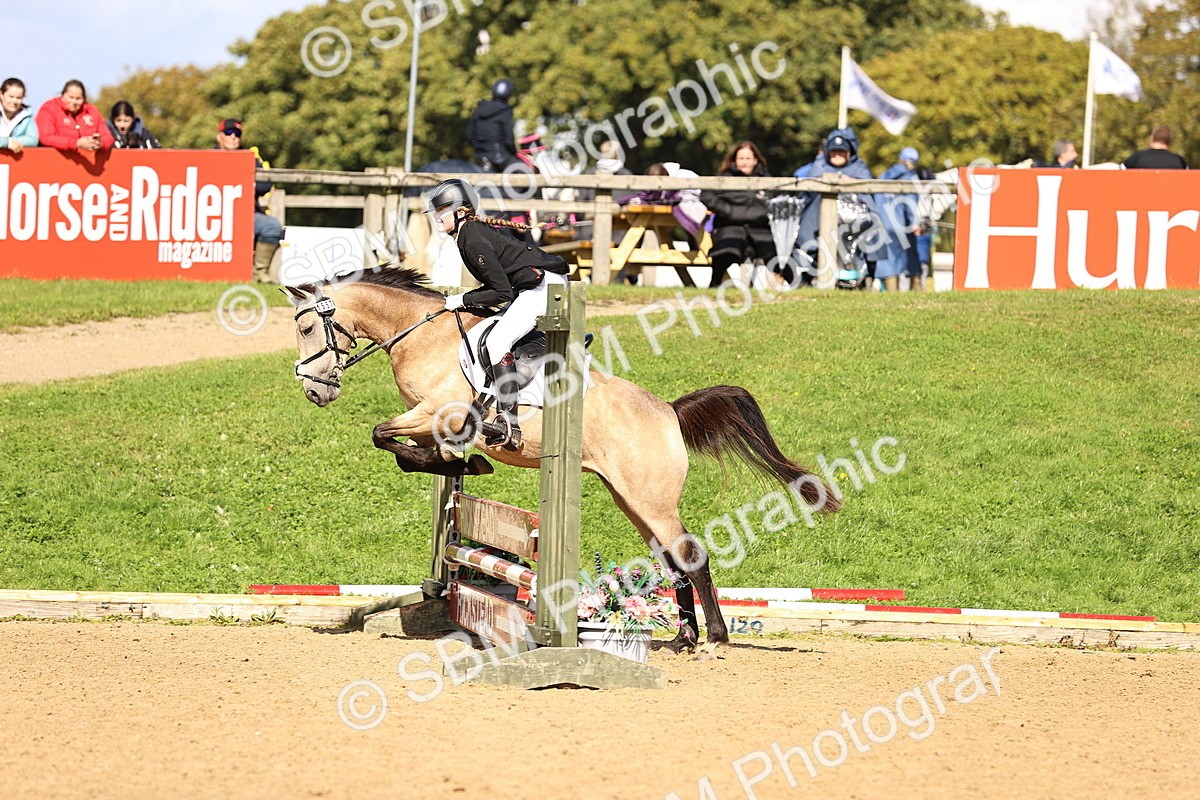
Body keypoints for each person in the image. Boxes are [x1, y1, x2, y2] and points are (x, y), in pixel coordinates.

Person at [424, 178, 570, 450]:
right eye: (435, 211)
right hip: (529, 286)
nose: (436, 217)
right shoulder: (468, 235)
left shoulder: (472, 239)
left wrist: (462, 299)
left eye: (441, 210)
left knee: (496, 342)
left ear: (461, 211)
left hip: (544, 287)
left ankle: (509, 421)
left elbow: (500, 292)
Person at [794, 128, 877, 283]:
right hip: (818, 226)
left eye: (841, 151)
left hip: (854, 227)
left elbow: (869, 200)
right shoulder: (819, 166)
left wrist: (850, 183)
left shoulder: (859, 169)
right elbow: (808, 192)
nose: (836, 154)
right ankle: (813, 275)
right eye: (833, 151)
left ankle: (861, 277)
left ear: (849, 153)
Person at [699, 140, 777, 288]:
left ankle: (800, 286)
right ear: (735, 161)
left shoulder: (767, 180)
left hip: (759, 229)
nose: (745, 162)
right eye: (741, 158)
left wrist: (761, 213)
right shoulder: (723, 178)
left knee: (775, 254)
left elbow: (776, 201)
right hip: (729, 226)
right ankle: (715, 284)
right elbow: (706, 194)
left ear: (755, 160)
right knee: (724, 251)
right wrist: (728, 210)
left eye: (748, 159)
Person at [216, 118, 283, 283]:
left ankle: (259, 275)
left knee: (272, 226)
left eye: (237, 134)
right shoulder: (209, 157)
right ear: (219, 137)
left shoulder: (251, 158)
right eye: (229, 133)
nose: (233, 137)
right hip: (213, 216)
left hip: (247, 215)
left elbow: (266, 184)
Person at [876, 147, 922, 292]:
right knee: (911, 256)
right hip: (901, 225)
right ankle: (916, 289)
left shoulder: (884, 175)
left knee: (888, 259)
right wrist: (915, 222)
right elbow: (911, 201)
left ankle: (891, 292)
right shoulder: (910, 178)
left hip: (882, 223)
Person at [35, 80, 113, 153]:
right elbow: (46, 137)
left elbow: (108, 137)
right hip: (55, 161)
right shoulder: (49, 109)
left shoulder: (92, 111)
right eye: (71, 97)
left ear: (84, 99)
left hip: (87, 163)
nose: (74, 102)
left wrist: (100, 144)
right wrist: (76, 143)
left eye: (78, 98)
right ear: (63, 95)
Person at [466, 79, 518, 172]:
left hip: (480, 157)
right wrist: (514, 152)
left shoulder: (479, 108)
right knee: (521, 169)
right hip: (499, 158)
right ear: (509, 95)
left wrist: (479, 148)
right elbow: (509, 139)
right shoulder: (505, 111)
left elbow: (469, 134)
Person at [0, 78, 38, 154]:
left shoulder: (26, 115)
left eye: (19, 98)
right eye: (11, 97)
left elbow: (33, 139)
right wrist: (7, 143)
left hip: (13, 163)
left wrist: (13, 142)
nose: (14, 101)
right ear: (1, 94)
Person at [1124, 126, 1188, 169]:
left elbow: (1119, 174)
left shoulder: (1137, 158)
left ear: (1152, 138)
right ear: (1169, 141)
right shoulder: (1179, 161)